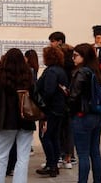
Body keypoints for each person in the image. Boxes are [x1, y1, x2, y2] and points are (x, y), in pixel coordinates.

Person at [0, 48, 35, 183]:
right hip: (26, 119)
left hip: (6, 119)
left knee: (0, 155)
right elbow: (35, 96)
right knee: (23, 157)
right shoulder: (28, 76)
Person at [68, 43, 101, 183]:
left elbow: (74, 97)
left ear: (84, 56)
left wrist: (70, 111)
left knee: (83, 155)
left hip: (82, 116)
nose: (73, 58)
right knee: (95, 152)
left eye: (76, 55)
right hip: (97, 115)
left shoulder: (81, 72)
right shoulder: (100, 72)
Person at [35, 46, 68, 177]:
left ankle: (51, 164)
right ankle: (54, 165)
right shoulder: (61, 71)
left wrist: (42, 106)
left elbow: (48, 91)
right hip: (59, 109)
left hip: (50, 110)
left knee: (45, 136)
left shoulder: (51, 72)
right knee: (54, 137)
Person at [49, 31, 76, 168]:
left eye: (52, 41)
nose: (51, 44)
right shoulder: (73, 56)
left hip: (62, 97)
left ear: (59, 41)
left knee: (61, 128)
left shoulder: (62, 60)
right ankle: (68, 157)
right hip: (70, 97)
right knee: (68, 128)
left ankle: (63, 156)